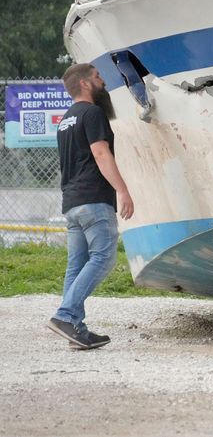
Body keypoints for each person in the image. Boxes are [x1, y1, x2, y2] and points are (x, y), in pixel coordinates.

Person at [47, 63, 134, 350]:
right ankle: (65, 315)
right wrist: (123, 190)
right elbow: (100, 152)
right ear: (85, 83)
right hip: (94, 199)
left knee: (77, 264)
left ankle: (76, 329)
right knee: (104, 258)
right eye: (97, 77)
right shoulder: (93, 113)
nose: (102, 81)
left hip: (72, 202)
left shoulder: (66, 119)